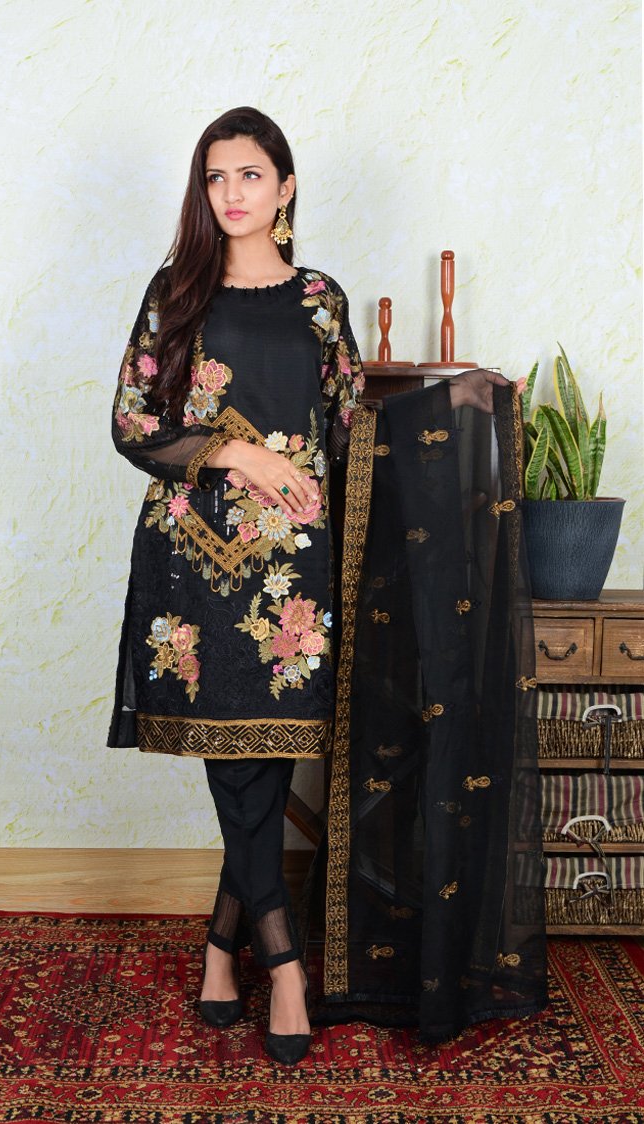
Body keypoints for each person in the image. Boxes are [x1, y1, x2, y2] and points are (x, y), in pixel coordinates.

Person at [107, 106, 519, 1064]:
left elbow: (348, 433)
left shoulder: (321, 300)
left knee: (264, 764)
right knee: (236, 765)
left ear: (285, 187)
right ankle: (285, 966)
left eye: (250, 175)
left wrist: (453, 417)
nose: (232, 194)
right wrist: (240, 454)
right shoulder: (176, 292)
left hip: (293, 573)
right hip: (196, 565)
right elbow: (133, 424)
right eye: (215, 177)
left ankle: (222, 949)